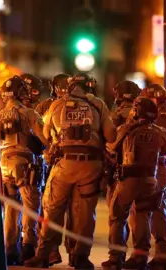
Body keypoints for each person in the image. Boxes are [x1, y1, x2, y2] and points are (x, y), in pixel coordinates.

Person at [24, 72, 116, 269]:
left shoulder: (57, 104)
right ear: (89, 87)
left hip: (64, 165)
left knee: (52, 210)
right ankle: (80, 257)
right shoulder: (98, 105)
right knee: (84, 215)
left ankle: (43, 255)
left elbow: (46, 134)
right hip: (91, 167)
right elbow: (111, 135)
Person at [102, 97, 166, 270]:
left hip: (129, 180)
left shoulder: (127, 129)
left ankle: (115, 258)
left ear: (136, 111)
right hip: (150, 180)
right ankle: (140, 258)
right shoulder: (160, 131)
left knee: (117, 217)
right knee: (142, 217)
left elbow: (111, 146)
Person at [0, 75, 49, 265]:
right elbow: (45, 139)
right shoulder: (29, 113)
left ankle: (10, 250)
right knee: (30, 204)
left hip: (4, 164)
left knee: (11, 207)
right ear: (20, 93)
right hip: (24, 162)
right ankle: (28, 246)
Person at [136, 84, 166, 269]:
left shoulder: (155, 120)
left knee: (143, 210)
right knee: (160, 212)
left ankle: (142, 255)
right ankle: (162, 256)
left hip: (153, 169)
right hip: (165, 170)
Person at [35, 73, 72, 266]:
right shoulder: (88, 105)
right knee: (74, 210)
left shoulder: (46, 106)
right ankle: (73, 252)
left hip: (53, 162)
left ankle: (51, 251)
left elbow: (39, 133)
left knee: (51, 209)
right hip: (69, 162)